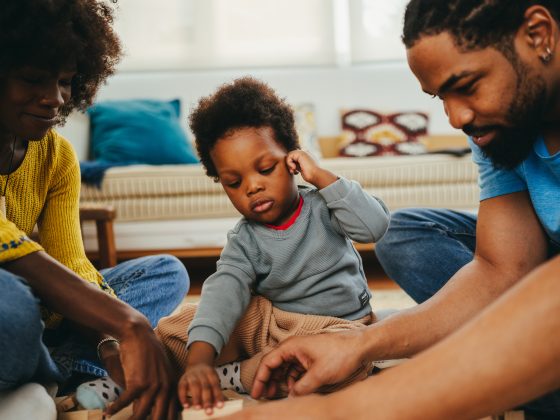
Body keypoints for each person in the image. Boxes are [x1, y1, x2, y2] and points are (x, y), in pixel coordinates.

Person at [223, 1, 560, 419]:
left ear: (539, 35)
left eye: (468, 85)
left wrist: (340, 412)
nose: (456, 118)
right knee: (403, 232)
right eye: (440, 97)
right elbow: (500, 268)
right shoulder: (498, 129)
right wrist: (359, 342)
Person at [154, 77, 390, 414]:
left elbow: (375, 227)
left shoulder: (325, 204)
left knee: (335, 367)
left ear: (293, 159)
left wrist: (322, 177)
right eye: (233, 183)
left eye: (265, 169)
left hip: (340, 327)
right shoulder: (245, 240)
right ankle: (173, 371)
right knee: (186, 326)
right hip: (275, 325)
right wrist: (198, 360)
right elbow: (224, 291)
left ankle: (239, 375)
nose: (251, 187)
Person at [0, 1, 189, 419]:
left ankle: (67, 374)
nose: (54, 98)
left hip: (43, 311)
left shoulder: (57, 157)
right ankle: (47, 372)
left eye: (66, 82)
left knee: (164, 272)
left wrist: (108, 339)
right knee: (11, 304)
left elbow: (71, 261)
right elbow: (5, 242)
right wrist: (128, 324)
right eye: (32, 79)